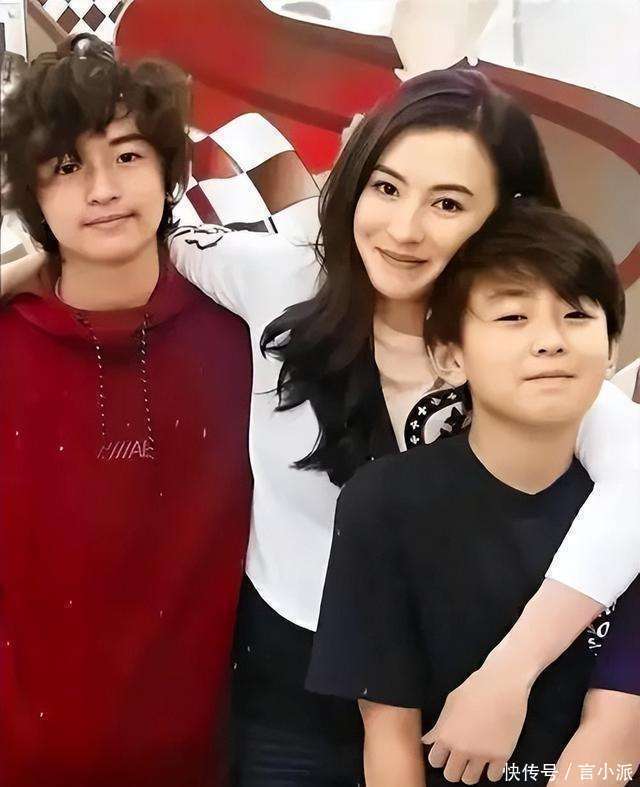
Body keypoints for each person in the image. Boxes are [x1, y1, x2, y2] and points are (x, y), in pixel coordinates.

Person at [4, 67, 640, 783]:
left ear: (504, 215)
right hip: (286, 697)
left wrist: (513, 674)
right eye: (387, 188)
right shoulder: (277, 278)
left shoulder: (517, 342)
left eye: (448, 203)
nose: (404, 229)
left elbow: (634, 486)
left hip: (458, 701)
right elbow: (128, 238)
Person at [306, 202, 640, 786]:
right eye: (513, 317)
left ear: (612, 347)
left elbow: (618, 731)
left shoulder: (625, 511)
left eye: (576, 315)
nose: (550, 341)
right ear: (450, 355)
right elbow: (388, 734)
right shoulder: (384, 504)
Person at [0, 36, 252, 787]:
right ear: (33, 196)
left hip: (208, 754)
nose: (103, 189)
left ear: (170, 173)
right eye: (66, 166)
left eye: (129, 155)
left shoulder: (245, 335)